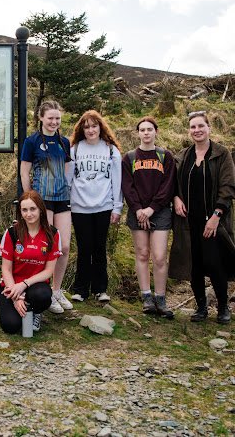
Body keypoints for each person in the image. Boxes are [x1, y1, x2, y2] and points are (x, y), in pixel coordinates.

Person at [170, 111, 235, 324]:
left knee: (214, 262)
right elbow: (175, 184)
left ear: (209, 128)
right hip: (189, 221)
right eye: (193, 127)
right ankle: (200, 307)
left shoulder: (221, 154)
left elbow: (228, 187)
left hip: (214, 220)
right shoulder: (184, 155)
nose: (197, 130)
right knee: (194, 263)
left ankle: (223, 307)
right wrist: (176, 198)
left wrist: (217, 215)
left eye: (201, 126)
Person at [19, 100, 73, 314]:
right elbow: (24, 172)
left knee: (65, 246)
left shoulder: (65, 142)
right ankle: (44, 294)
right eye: (50, 118)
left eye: (57, 118)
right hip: (42, 199)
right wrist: (29, 198)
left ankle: (57, 290)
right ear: (41, 117)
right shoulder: (31, 142)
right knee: (48, 246)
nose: (54, 122)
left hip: (62, 198)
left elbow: (67, 171)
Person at [67, 110, 123, 302]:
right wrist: (67, 204)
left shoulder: (110, 150)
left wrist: (117, 207)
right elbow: (69, 179)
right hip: (79, 206)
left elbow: (118, 180)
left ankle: (101, 290)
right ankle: (80, 289)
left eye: (94, 126)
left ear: (101, 127)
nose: (91, 130)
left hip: (103, 206)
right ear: (82, 129)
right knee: (84, 248)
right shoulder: (75, 149)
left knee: (99, 248)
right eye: (87, 126)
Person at [122, 116, 175, 318]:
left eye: (149, 129)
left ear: (156, 132)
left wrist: (152, 209)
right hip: (137, 211)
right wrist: (138, 209)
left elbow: (168, 186)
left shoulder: (165, 156)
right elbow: (127, 186)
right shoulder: (129, 157)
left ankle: (160, 298)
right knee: (142, 253)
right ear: (138, 133)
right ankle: (146, 297)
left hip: (159, 211)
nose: (146, 133)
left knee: (160, 256)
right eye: (142, 130)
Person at [0, 190, 61, 334]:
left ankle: (34, 311)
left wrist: (24, 284)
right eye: (24, 210)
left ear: (40, 210)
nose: (29, 214)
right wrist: (15, 297)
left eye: (33, 209)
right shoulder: (12, 233)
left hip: (35, 286)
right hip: (11, 285)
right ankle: (11, 306)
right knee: (10, 326)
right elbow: (6, 269)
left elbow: (48, 271)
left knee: (43, 296)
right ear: (20, 212)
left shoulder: (53, 234)